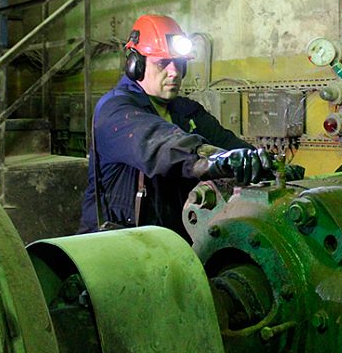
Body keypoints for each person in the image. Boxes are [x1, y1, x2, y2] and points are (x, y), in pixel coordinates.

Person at [79, 14, 272, 237]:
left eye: (179, 63)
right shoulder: (115, 110)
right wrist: (212, 159)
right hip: (115, 240)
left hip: (170, 236)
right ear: (135, 65)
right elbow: (160, 144)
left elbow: (228, 144)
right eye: (162, 63)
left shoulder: (186, 111)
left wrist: (264, 164)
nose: (175, 72)